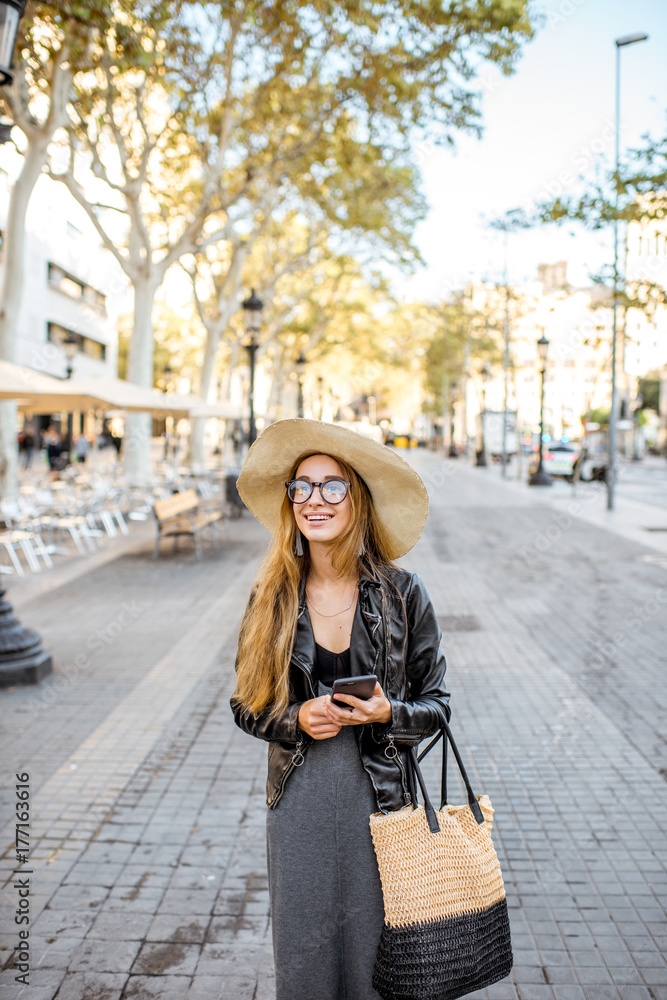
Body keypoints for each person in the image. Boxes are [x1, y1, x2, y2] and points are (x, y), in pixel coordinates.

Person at [231, 419, 450, 1000]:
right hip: (298, 799)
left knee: (377, 964)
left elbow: (438, 707)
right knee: (303, 961)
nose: (313, 500)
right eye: (301, 486)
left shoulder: (404, 593)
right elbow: (245, 706)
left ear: (358, 497)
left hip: (380, 803)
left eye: (332, 486)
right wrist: (295, 719)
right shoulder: (272, 594)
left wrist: (388, 714)